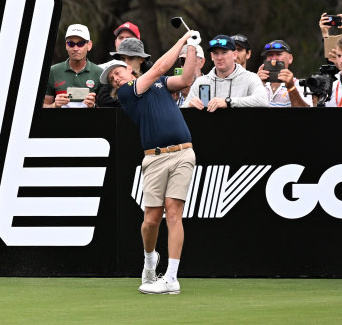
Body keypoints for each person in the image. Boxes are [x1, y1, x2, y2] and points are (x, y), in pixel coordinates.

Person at [99, 30, 199, 294]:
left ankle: (172, 278)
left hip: (183, 153)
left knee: (174, 212)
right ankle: (149, 260)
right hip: (154, 158)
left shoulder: (159, 83)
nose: (116, 77)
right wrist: (181, 41)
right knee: (151, 221)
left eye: (118, 72)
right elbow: (158, 68)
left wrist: (192, 48)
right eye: (112, 78)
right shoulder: (128, 94)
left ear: (130, 70)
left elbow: (186, 78)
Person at [183, 35, 268, 111]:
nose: (219, 58)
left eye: (224, 52)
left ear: (235, 55)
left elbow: (263, 100)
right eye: (216, 53)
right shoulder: (201, 82)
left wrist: (228, 102)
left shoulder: (250, 78)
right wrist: (189, 105)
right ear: (212, 56)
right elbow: (182, 110)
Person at [43, 24, 101, 108]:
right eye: (71, 43)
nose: (75, 48)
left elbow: (106, 108)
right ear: (66, 45)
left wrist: (93, 106)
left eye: (80, 43)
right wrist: (54, 105)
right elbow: (43, 106)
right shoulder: (52, 71)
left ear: (89, 45)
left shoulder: (99, 73)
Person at [97, 22, 145, 107]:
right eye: (121, 38)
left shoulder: (152, 70)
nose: (115, 78)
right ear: (115, 42)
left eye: (128, 38)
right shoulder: (108, 70)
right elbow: (103, 100)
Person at [256, 40, 311, 107]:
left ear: (290, 58)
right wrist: (257, 86)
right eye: (270, 55)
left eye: (278, 54)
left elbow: (306, 115)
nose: (273, 59)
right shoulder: (258, 83)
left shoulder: (299, 85)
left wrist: (291, 88)